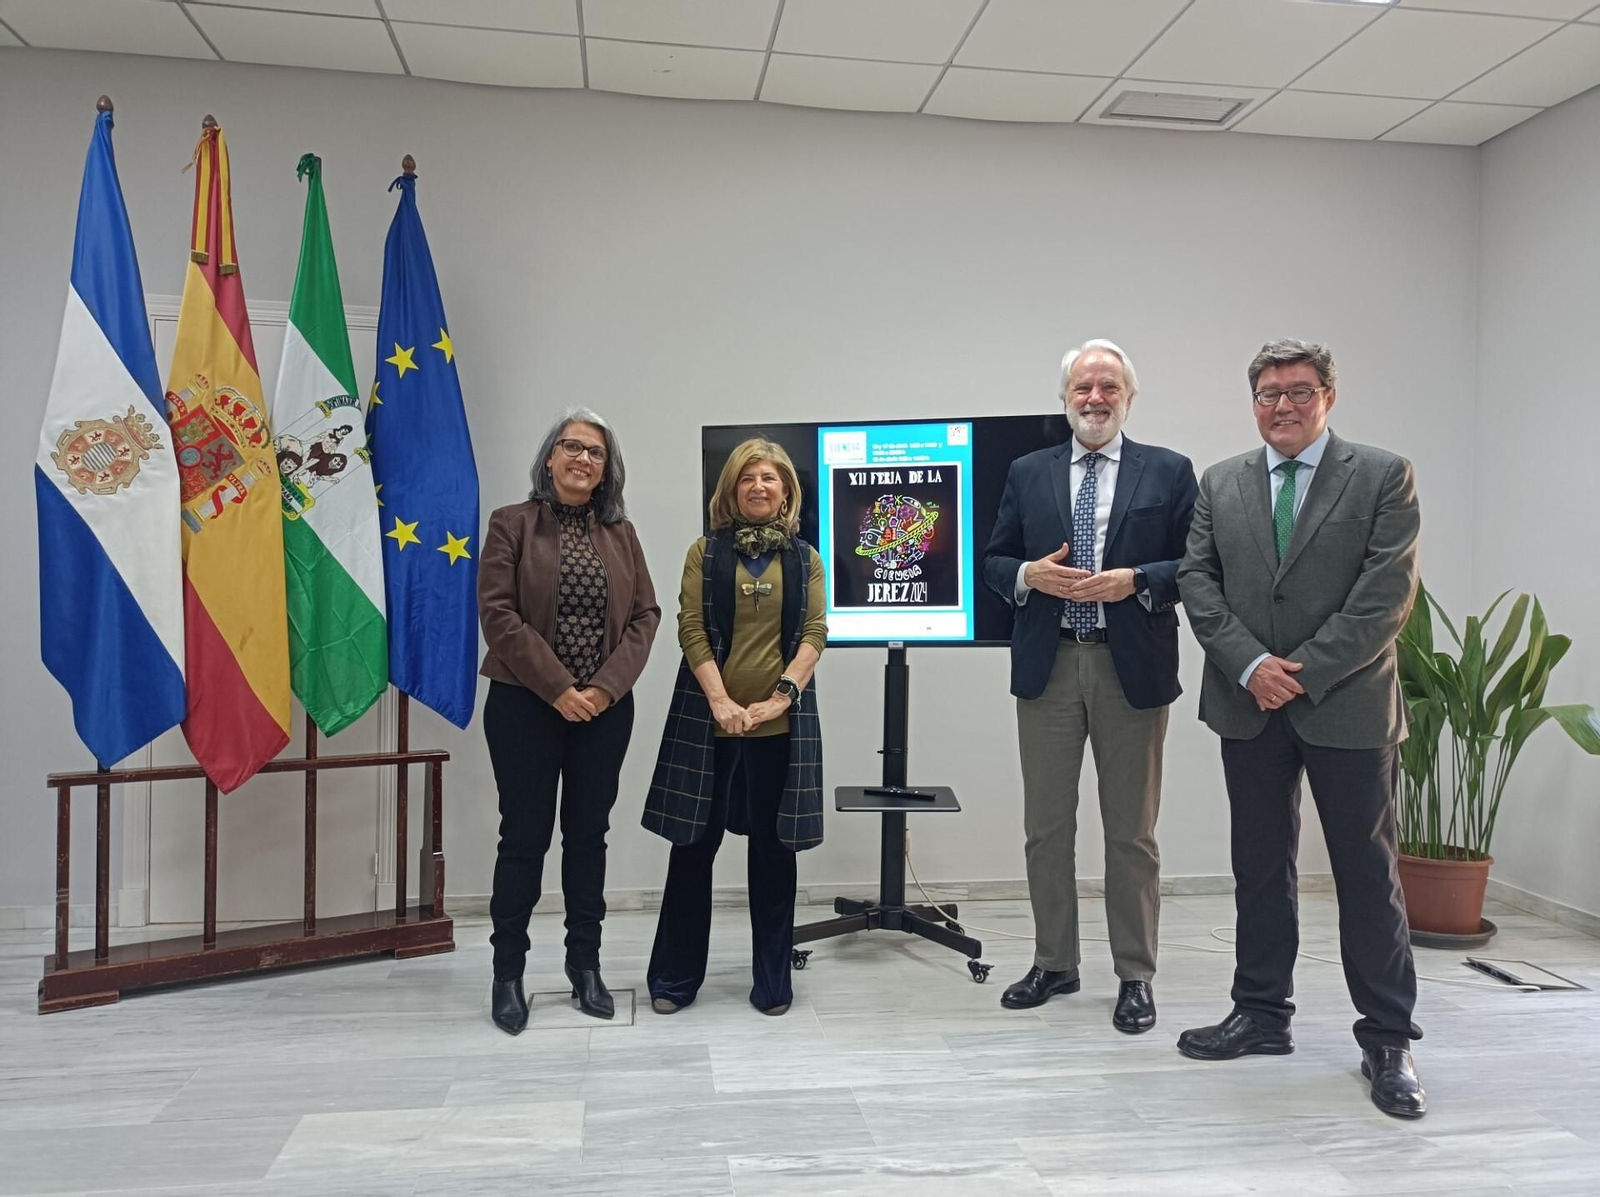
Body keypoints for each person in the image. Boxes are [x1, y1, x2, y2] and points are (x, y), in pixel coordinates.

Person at [1176, 339, 1426, 1118]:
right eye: (1269, 393)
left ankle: (1388, 1037)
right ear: (1253, 402)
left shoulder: (1382, 475)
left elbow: (1385, 596)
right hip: (1248, 703)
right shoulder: (1221, 481)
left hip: (1347, 704)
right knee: (1259, 865)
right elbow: (1197, 579)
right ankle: (1260, 1012)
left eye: (1299, 390)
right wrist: (1252, 664)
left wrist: (1301, 671)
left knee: (1366, 873)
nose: (1283, 404)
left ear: (1328, 396)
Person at [982, 338, 1198, 1033]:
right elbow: (994, 560)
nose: (1095, 398)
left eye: (1109, 387)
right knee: (1046, 829)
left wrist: (1137, 580)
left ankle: (1135, 974)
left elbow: (1197, 563)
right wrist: (1028, 575)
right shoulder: (1028, 471)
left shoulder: (1169, 471)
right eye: (1084, 387)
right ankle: (1055, 962)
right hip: (1047, 667)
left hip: (1129, 668)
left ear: (1128, 397)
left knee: (1131, 832)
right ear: (1066, 398)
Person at [477, 409, 660, 1035]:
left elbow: (646, 616)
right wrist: (558, 688)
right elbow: (498, 614)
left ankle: (585, 966)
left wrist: (603, 689)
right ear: (550, 458)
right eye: (572, 447)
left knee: (588, 839)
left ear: (607, 470)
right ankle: (507, 973)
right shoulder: (511, 524)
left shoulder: (622, 534)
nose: (583, 459)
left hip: (604, 712)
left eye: (595, 453)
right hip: (523, 707)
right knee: (523, 840)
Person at [642, 438, 827, 1017]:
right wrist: (720, 701)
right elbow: (691, 628)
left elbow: (815, 633)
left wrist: (780, 698)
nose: (758, 487)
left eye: (769, 478)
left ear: (786, 491)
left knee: (774, 854)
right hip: (708, 724)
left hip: (780, 727)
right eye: (747, 478)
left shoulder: (805, 558)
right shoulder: (705, 552)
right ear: (731, 490)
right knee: (692, 850)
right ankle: (674, 980)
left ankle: (773, 984)